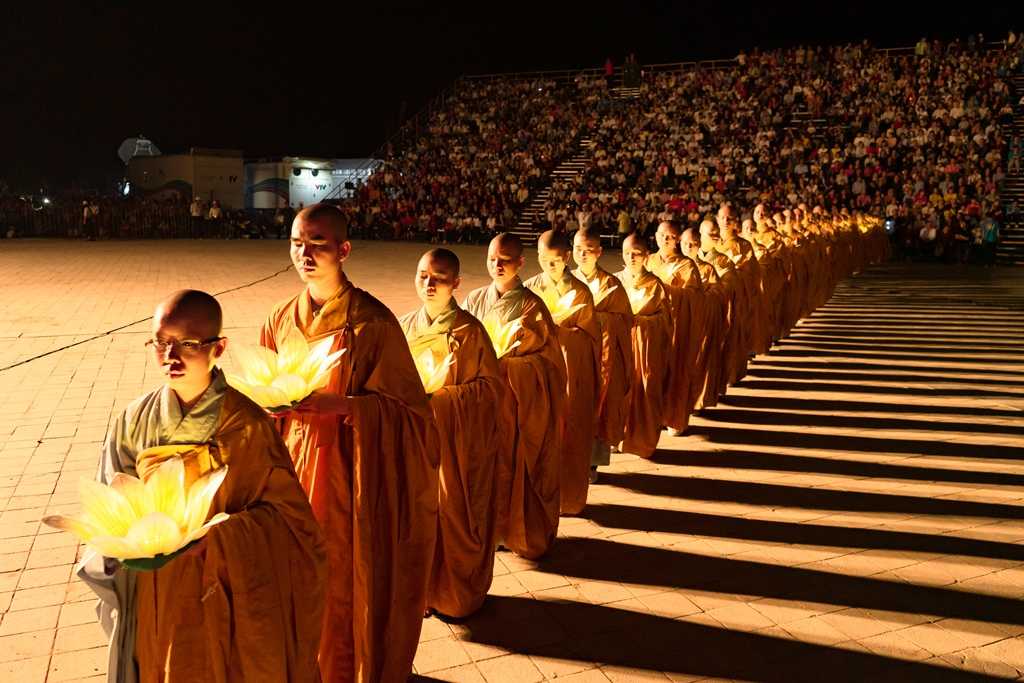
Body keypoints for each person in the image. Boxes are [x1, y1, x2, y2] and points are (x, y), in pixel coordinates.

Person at [78, 289, 326, 683]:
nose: (170, 357)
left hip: (225, 592)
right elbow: (112, 497)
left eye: (188, 344)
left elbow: (290, 521)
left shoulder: (247, 425)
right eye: (161, 343)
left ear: (219, 348)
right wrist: (123, 544)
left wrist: (220, 536)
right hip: (155, 587)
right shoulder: (134, 419)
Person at [260, 204, 438, 682]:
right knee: (292, 578)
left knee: (338, 582)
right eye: (297, 242)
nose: (304, 253)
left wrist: (344, 408)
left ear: (343, 249)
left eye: (317, 243)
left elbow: (412, 414)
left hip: (348, 479)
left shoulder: (372, 323)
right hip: (291, 473)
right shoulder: (280, 319)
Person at [398, 249, 510, 620]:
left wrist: (443, 399)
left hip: (456, 446)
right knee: (418, 519)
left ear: (456, 283)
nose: (429, 284)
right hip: (414, 443)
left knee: (454, 516)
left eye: (439, 278)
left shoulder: (469, 332)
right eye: (422, 275)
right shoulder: (405, 326)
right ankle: (424, 591)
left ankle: (457, 593)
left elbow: (491, 390)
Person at [463, 233, 567, 559]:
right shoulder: (475, 300)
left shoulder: (532, 305)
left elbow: (549, 363)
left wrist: (510, 366)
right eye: (492, 258)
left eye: (505, 259)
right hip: (481, 400)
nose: (497, 265)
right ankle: (488, 529)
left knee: (514, 464)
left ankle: (514, 529)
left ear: (520, 263)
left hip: (516, 402)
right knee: (482, 467)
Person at [524, 230, 601, 514]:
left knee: (571, 434)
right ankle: (538, 497)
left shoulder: (581, 291)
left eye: (555, 261)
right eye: (543, 260)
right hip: (539, 373)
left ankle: (568, 498)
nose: (549, 266)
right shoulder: (530, 288)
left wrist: (561, 334)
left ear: (566, 258)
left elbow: (591, 336)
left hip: (571, 370)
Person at [571, 228, 634, 482]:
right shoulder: (566, 281)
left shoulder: (611, 285)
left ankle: (592, 463)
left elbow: (625, 320)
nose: (583, 255)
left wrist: (594, 319)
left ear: (598, 252)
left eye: (588, 250)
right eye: (578, 249)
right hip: (573, 356)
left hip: (602, 356)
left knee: (598, 406)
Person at [614, 233, 673, 459]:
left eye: (637, 253)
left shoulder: (655, 284)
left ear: (646, 256)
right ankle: (618, 437)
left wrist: (641, 322)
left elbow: (665, 320)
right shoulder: (616, 281)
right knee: (619, 393)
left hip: (647, 349)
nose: (631, 258)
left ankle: (644, 442)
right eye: (627, 253)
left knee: (646, 392)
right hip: (622, 347)